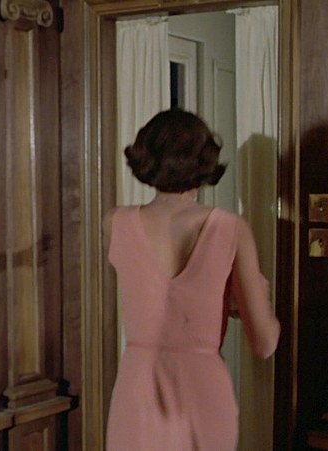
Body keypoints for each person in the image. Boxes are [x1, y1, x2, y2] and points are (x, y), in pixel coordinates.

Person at [103, 109, 281, 450]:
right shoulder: (231, 229)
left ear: (145, 157)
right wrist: (256, 296)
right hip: (202, 391)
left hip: (137, 390)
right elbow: (265, 343)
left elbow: (154, 294)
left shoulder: (114, 223)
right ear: (204, 160)